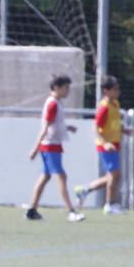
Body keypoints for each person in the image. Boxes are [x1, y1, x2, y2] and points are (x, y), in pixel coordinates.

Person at [25, 75, 85, 223]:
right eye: (66, 87)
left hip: (53, 145)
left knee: (45, 176)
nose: (68, 91)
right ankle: (71, 211)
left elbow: (53, 125)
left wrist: (67, 128)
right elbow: (45, 127)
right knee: (61, 176)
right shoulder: (52, 104)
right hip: (50, 146)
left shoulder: (56, 103)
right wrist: (36, 148)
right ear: (56, 88)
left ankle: (32, 210)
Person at [75, 75, 132, 214]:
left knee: (112, 176)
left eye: (118, 89)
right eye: (115, 89)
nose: (118, 92)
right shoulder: (104, 106)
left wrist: (123, 130)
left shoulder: (115, 104)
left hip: (114, 144)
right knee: (114, 175)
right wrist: (105, 143)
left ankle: (85, 190)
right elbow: (96, 127)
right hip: (106, 145)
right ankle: (109, 205)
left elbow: (113, 124)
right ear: (106, 91)